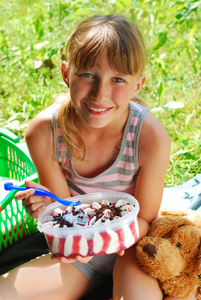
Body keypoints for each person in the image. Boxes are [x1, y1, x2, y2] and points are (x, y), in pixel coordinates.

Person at [0, 14, 196, 300]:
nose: (100, 94)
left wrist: (105, 242)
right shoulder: (44, 133)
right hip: (80, 251)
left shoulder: (150, 138)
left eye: (117, 79)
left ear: (137, 85)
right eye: (88, 75)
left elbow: (144, 218)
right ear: (66, 73)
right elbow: (63, 210)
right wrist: (46, 207)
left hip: (135, 245)